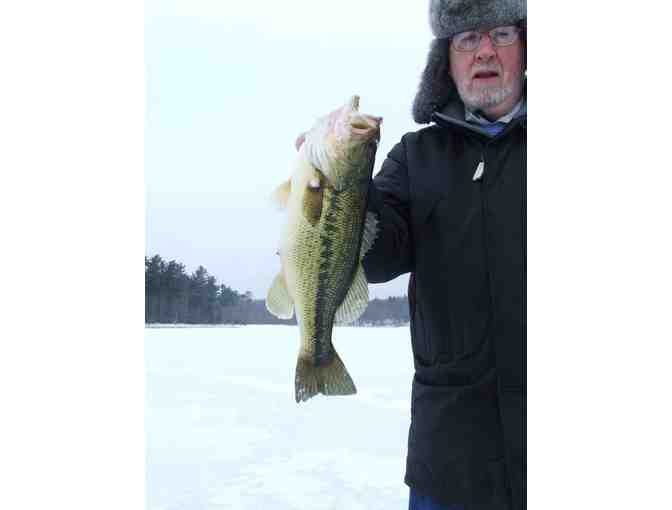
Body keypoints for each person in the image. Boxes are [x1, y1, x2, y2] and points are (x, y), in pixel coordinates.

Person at [296, 1, 526, 508]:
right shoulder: (416, 157)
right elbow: (377, 256)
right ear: (445, 61)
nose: (484, 49)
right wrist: (342, 189)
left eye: (501, 33)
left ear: (527, 47)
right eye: (466, 39)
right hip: (450, 459)